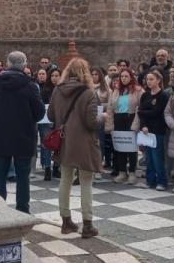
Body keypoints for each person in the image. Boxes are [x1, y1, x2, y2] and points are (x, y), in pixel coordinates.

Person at [48, 58, 102, 238]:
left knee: (65, 180)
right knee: (86, 182)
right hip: (84, 143)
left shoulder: (57, 90)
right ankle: (87, 224)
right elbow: (91, 122)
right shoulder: (88, 93)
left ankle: (66, 221)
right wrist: (104, 118)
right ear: (85, 72)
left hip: (64, 142)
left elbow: (50, 115)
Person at [0, 51, 46, 212]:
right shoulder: (30, 86)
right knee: (22, 177)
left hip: (0, 136)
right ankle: (22, 210)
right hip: (23, 137)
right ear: (24, 65)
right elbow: (39, 113)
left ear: (7, 64)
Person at [133, 69, 169, 190]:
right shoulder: (145, 95)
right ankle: (150, 180)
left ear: (158, 80)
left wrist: (142, 111)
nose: (149, 82)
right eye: (147, 79)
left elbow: (157, 112)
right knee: (148, 157)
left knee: (157, 157)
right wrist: (143, 125)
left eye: (151, 79)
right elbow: (141, 113)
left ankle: (162, 181)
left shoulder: (163, 96)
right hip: (146, 130)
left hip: (158, 129)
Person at [106, 69, 144, 185]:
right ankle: (122, 172)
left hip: (131, 118)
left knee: (131, 148)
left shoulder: (138, 90)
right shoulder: (116, 90)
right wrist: (109, 124)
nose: (123, 78)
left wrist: (137, 124)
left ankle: (132, 172)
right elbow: (110, 107)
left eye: (126, 76)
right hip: (118, 119)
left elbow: (141, 107)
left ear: (131, 77)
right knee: (120, 146)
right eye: (122, 76)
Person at [33, 68, 57, 180]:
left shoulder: (52, 89)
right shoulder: (35, 86)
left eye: (43, 74)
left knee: (46, 143)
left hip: (47, 119)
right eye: (40, 74)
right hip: (37, 116)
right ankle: (34, 166)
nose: (42, 75)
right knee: (34, 142)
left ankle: (48, 168)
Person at [91, 67, 114, 169]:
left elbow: (111, 104)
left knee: (100, 141)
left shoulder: (106, 89)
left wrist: (101, 106)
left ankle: (99, 164)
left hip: (101, 118)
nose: (94, 76)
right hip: (89, 117)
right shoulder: (87, 87)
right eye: (92, 74)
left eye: (96, 74)